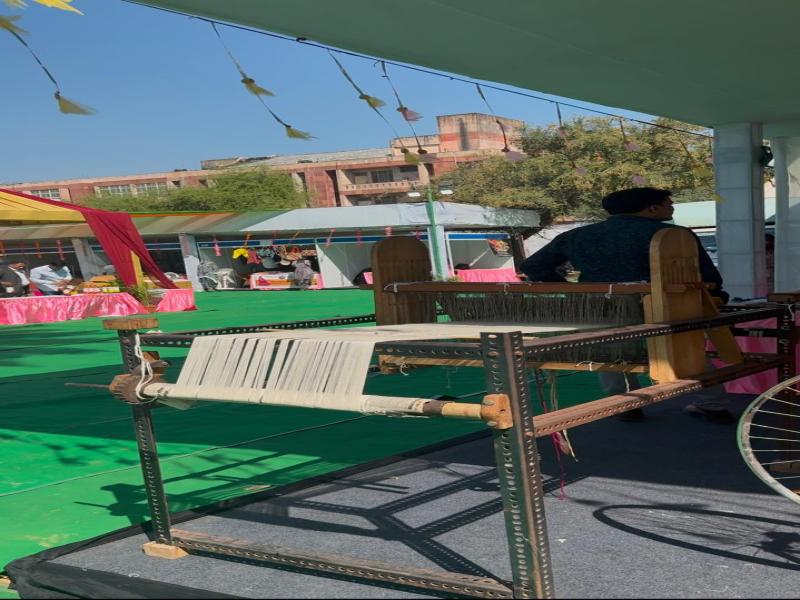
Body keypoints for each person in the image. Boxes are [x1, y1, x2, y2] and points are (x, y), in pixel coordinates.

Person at [520, 187, 732, 423]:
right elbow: (707, 277)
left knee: (613, 356)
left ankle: (625, 406)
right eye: (668, 203)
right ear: (652, 208)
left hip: (599, 306)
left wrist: (574, 291)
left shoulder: (576, 236)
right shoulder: (673, 234)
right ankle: (711, 404)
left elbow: (533, 266)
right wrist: (716, 296)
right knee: (686, 353)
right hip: (665, 307)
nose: (672, 207)